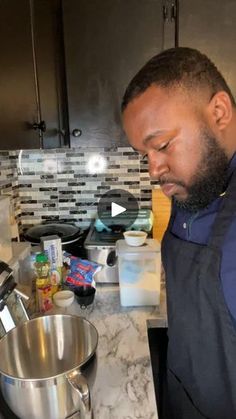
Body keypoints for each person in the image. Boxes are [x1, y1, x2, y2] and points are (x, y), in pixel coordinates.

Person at [121, 47, 236, 419]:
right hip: (182, 394)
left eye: (163, 145)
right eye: (145, 154)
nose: (153, 170)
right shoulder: (198, 183)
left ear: (218, 112)